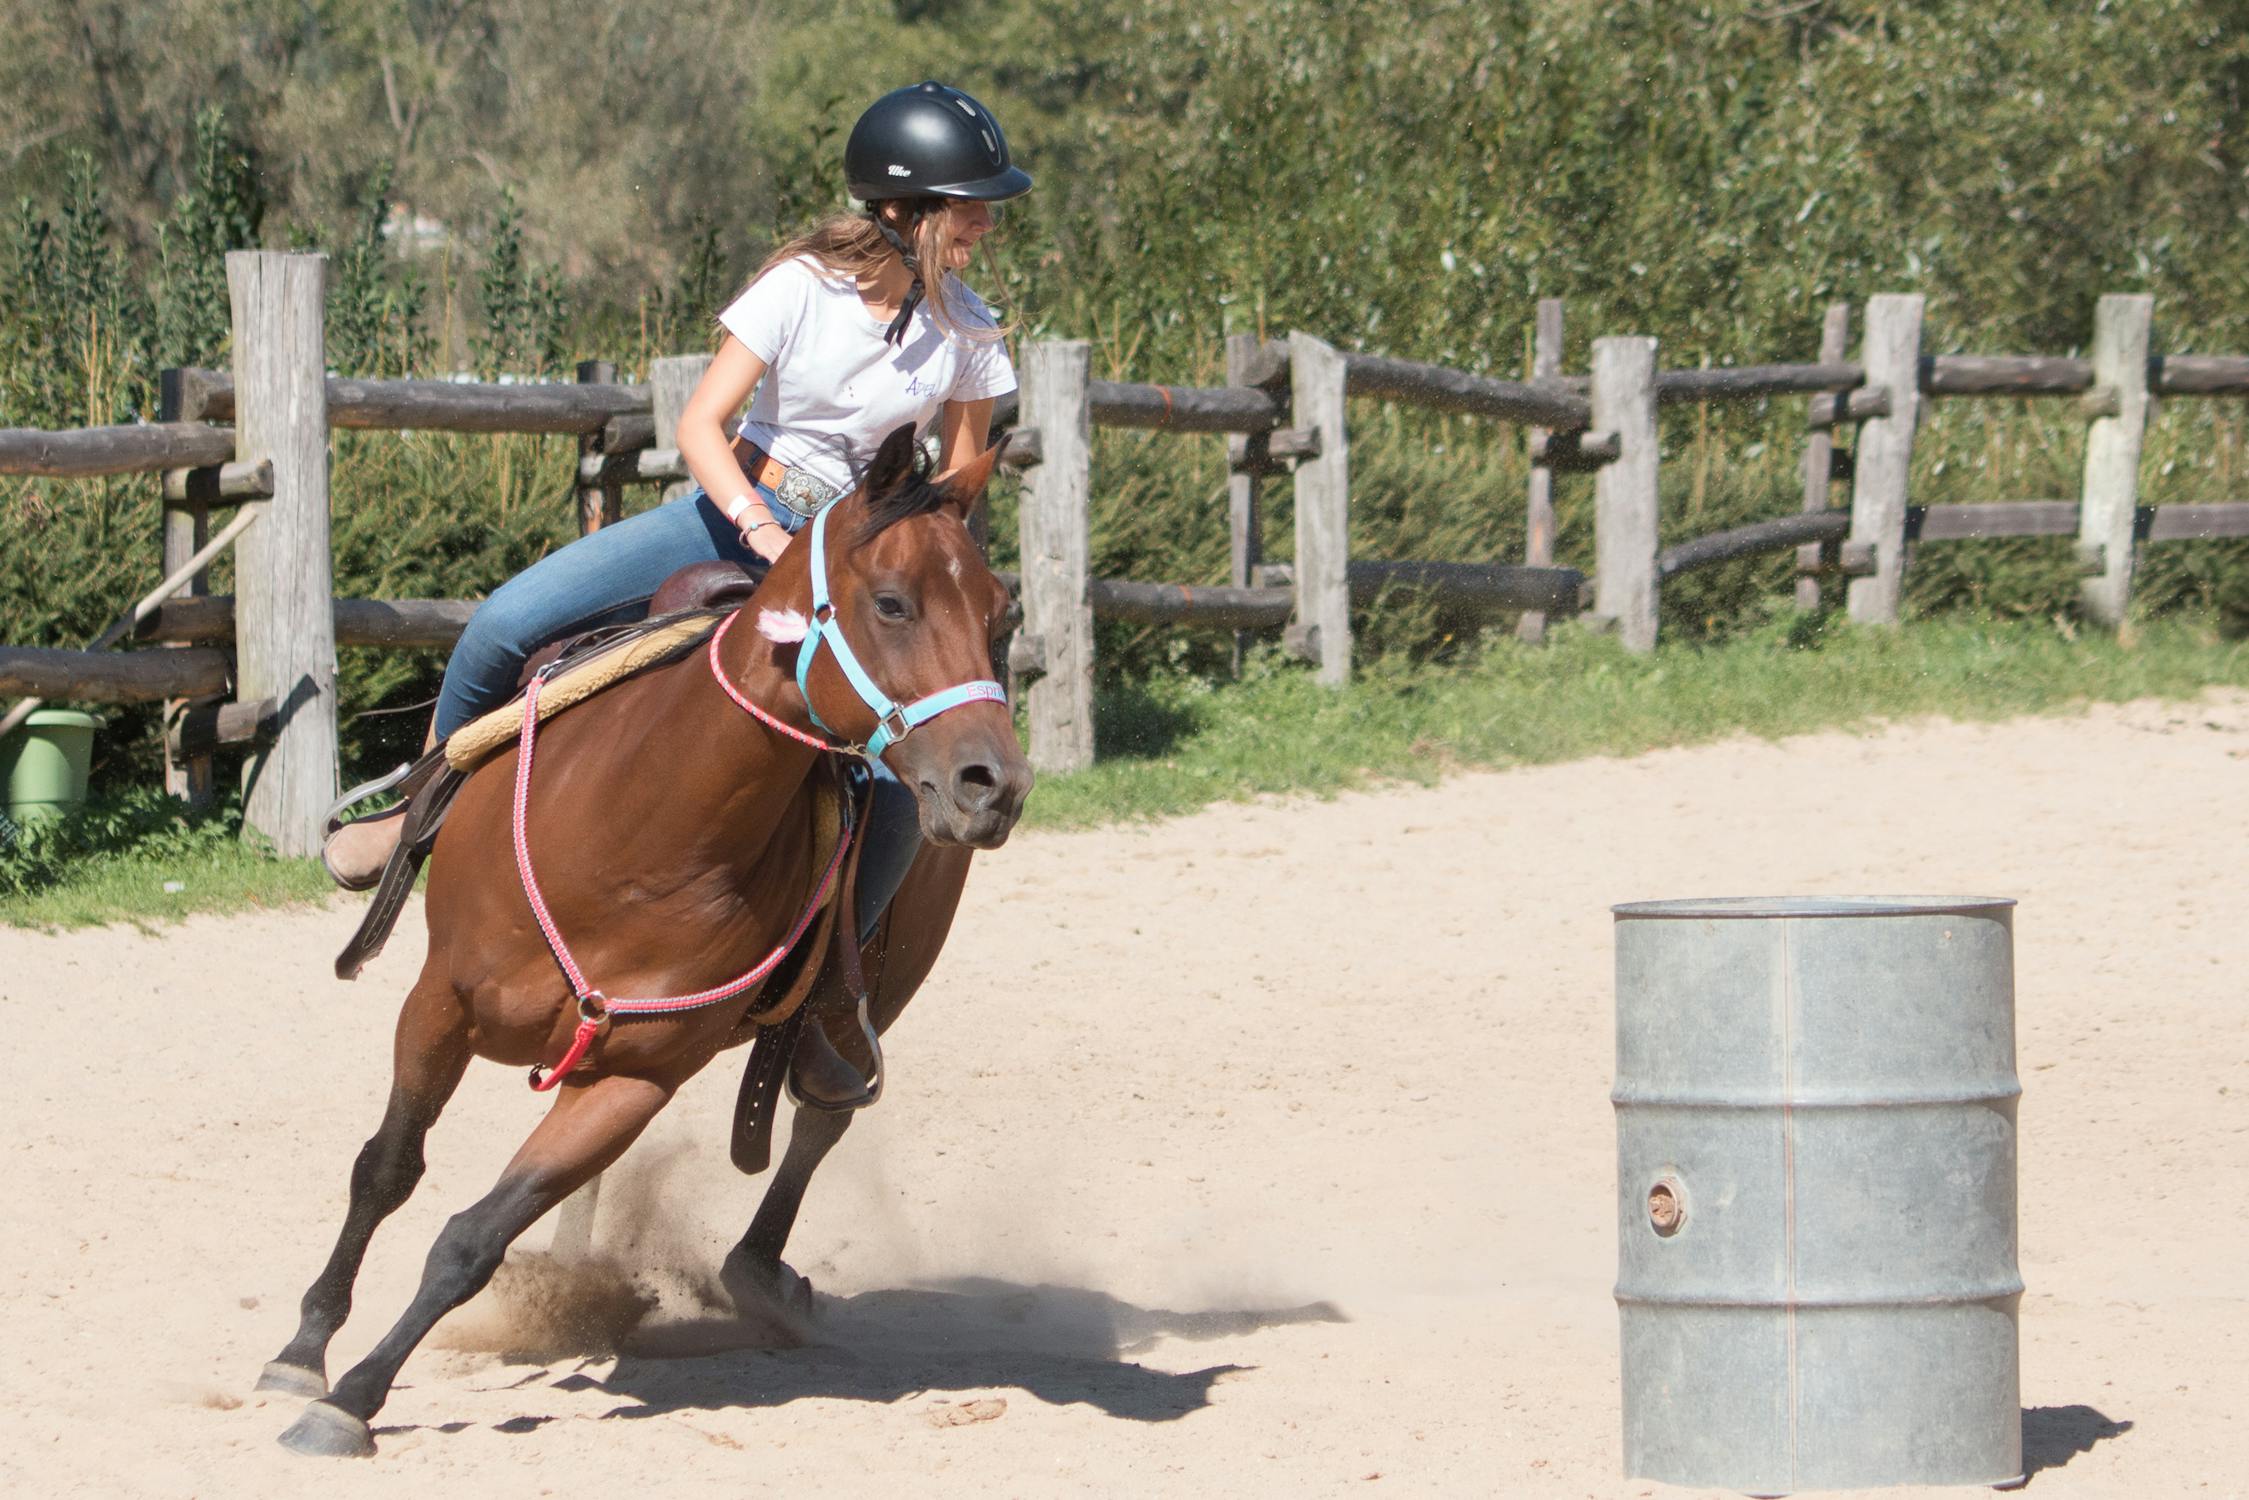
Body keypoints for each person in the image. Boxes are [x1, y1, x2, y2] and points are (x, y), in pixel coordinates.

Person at [323, 79, 1031, 954]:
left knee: (896, 771)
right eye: (969, 209)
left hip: (860, 561)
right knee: (506, 622)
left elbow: (955, 489)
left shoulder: (968, 327)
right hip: (741, 513)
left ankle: (840, 984)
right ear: (901, 207)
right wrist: (762, 528)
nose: (985, 226)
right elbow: (699, 424)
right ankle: (413, 811)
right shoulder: (798, 289)